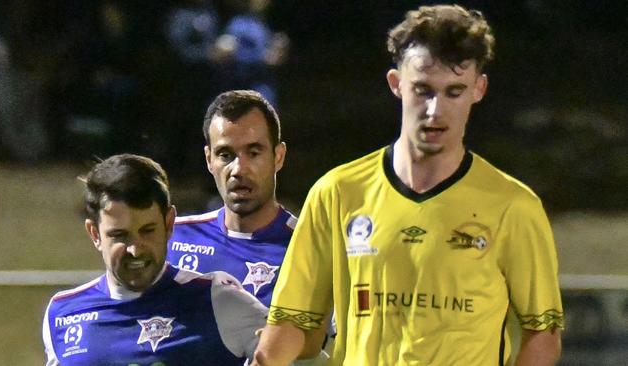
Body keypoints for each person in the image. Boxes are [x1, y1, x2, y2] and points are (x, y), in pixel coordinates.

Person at [253, 4, 563, 366]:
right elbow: (293, 320)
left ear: (479, 89)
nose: (435, 110)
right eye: (423, 90)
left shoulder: (513, 206)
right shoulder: (337, 193)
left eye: (454, 91)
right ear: (396, 84)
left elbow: (541, 332)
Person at [42, 154, 267, 365]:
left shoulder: (217, 299)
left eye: (147, 231)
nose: (135, 250)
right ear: (95, 234)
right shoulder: (63, 313)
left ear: (169, 224)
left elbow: (287, 347)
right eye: (120, 235)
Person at [166, 89, 293, 307]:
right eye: (225, 155)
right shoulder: (171, 239)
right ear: (209, 160)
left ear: (278, 157)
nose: (238, 169)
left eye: (253, 153)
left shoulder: (307, 247)